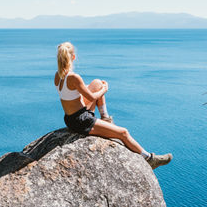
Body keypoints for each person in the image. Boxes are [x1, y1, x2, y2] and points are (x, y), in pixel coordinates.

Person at [54, 41, 172, 169]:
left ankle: (105, 119)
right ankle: (149, 159)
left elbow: (71, 94)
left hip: (70, 118)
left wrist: (99, 87)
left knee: (97, 83)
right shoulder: (74, 77)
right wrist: (105, 89)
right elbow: (92, 97)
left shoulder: (58, 76)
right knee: (123, 133)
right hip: (82, 121)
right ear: (73, 57)